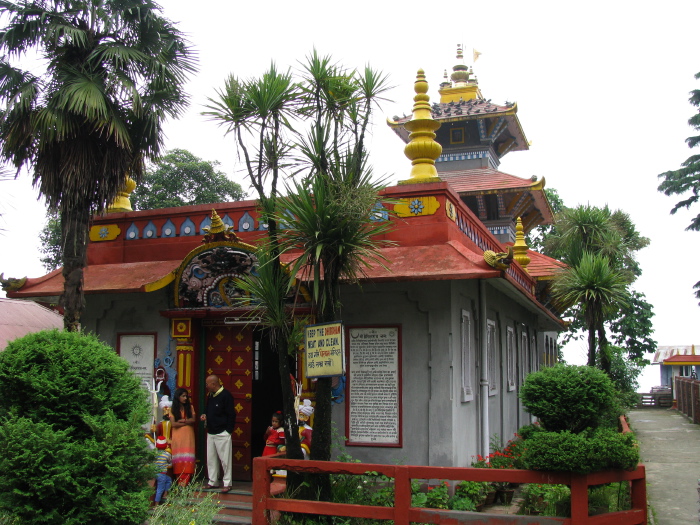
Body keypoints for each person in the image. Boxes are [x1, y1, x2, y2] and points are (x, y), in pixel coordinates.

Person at [200, 374, 236, 492]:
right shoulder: (210, 395)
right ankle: (213, 481)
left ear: (214, 384)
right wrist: (205, 414)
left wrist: (228, 431)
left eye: (207, 384)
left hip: (222, 432)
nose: (206, 386)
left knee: (225, 460)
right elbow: (207, 408)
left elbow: (231, 414)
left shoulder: (226, 395)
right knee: (211, 459)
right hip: (211, 432)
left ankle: (227, 483)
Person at [169, 388, 196, 486]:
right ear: (178, 397)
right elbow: (174, 424)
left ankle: (186, 482)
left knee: (188, 457)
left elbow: (193, 420)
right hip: (178, 437)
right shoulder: (172, 409)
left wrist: (183, 421)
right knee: (179, 457)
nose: (185, 398)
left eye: (186, 396)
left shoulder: (190, 407)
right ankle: (180, 483)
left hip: (188, 436)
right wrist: (186, 422)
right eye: (183, 396)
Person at [153, 436, 172, 506]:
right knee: (159, 489)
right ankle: (156, 504)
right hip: (162, 474)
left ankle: (165, 493)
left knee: (169, 479)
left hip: (154, 473)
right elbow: (170, 462)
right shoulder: (167, 454)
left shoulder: (154, 453)